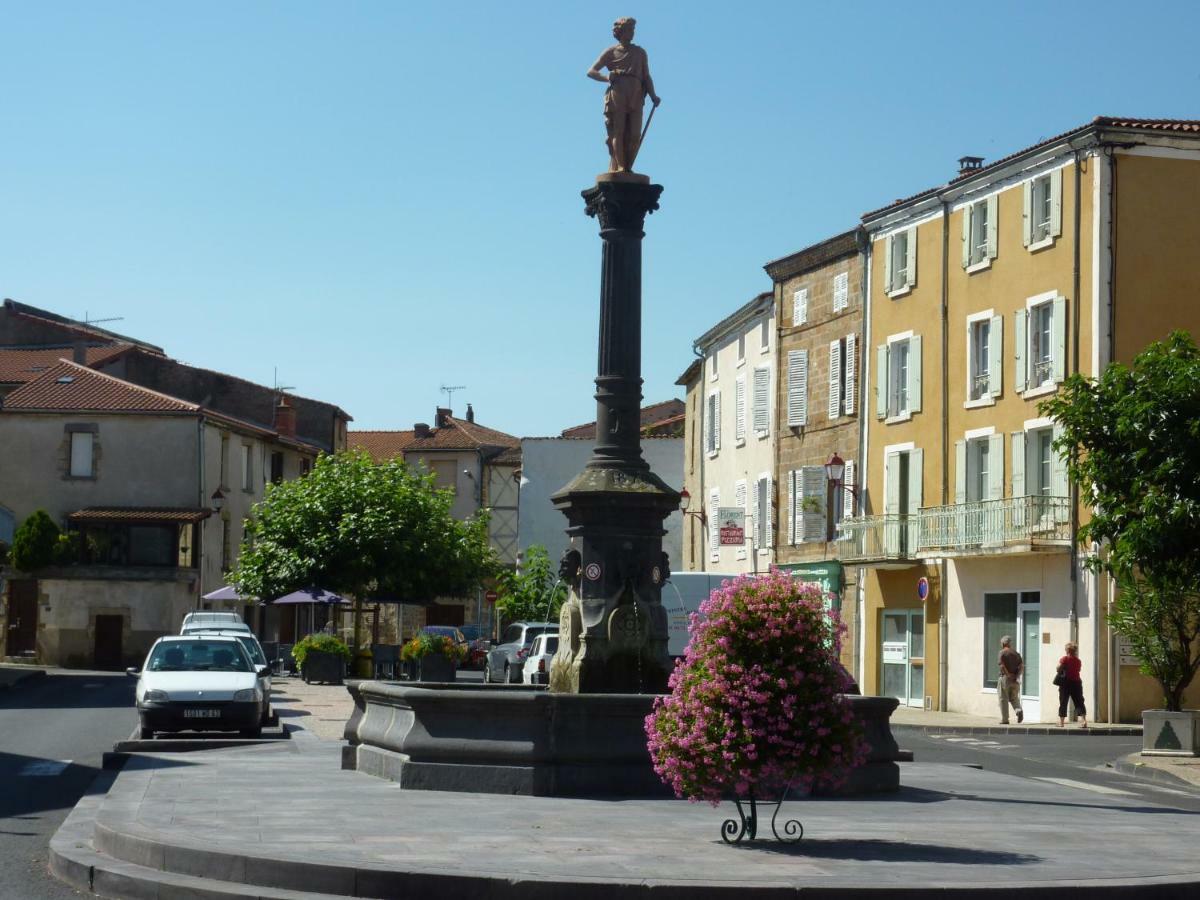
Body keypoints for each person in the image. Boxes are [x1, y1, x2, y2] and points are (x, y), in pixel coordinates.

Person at [587, 17, 661, 174]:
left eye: (633, 30)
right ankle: (621, 167)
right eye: (629, 30)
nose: (632, 33)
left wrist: (653, 95)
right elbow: (592, 71)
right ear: (621, 32)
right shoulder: (611, 52)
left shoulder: (640, 53)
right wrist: (607, 77)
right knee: (618, 131)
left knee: (635, 135)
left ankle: (627, 166)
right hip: (618, 92)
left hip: (636, 93)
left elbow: (646, 76)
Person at [1057, 641, 1088, 728]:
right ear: (1075, 651)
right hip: (1077, 683)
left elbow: (1058, 668)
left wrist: (1060, 668)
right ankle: (1084, 721)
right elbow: (1078, 670)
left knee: (1063, 702)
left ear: (1067, 650)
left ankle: (1061, 722)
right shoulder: (1078, 661)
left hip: (1065, 683)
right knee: (1079, 702)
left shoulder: (1064, 659)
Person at [997, 635, 1024, 724]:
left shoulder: (1002, 653)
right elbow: (1021, 666)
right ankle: (1018, 710)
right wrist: (1016, 676)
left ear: (1003, 643)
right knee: (1014, 698)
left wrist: (1008, 675)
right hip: (1015, 679)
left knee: (1003, 698)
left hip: (1005, 678)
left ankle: (1005, 719)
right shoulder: (1016, 653)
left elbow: (1002, 666)